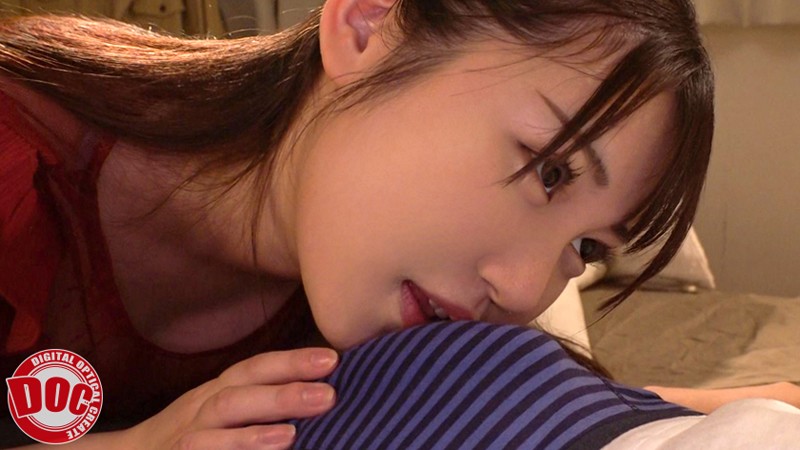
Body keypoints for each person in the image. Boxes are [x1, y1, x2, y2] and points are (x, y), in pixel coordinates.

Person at [2, 0, 786, 448]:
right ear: (367, 23)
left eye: (585, 247)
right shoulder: (19, 162)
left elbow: (496, 390)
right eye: (549, 170)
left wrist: (749, 401)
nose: (522, 291)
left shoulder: (370, 297)